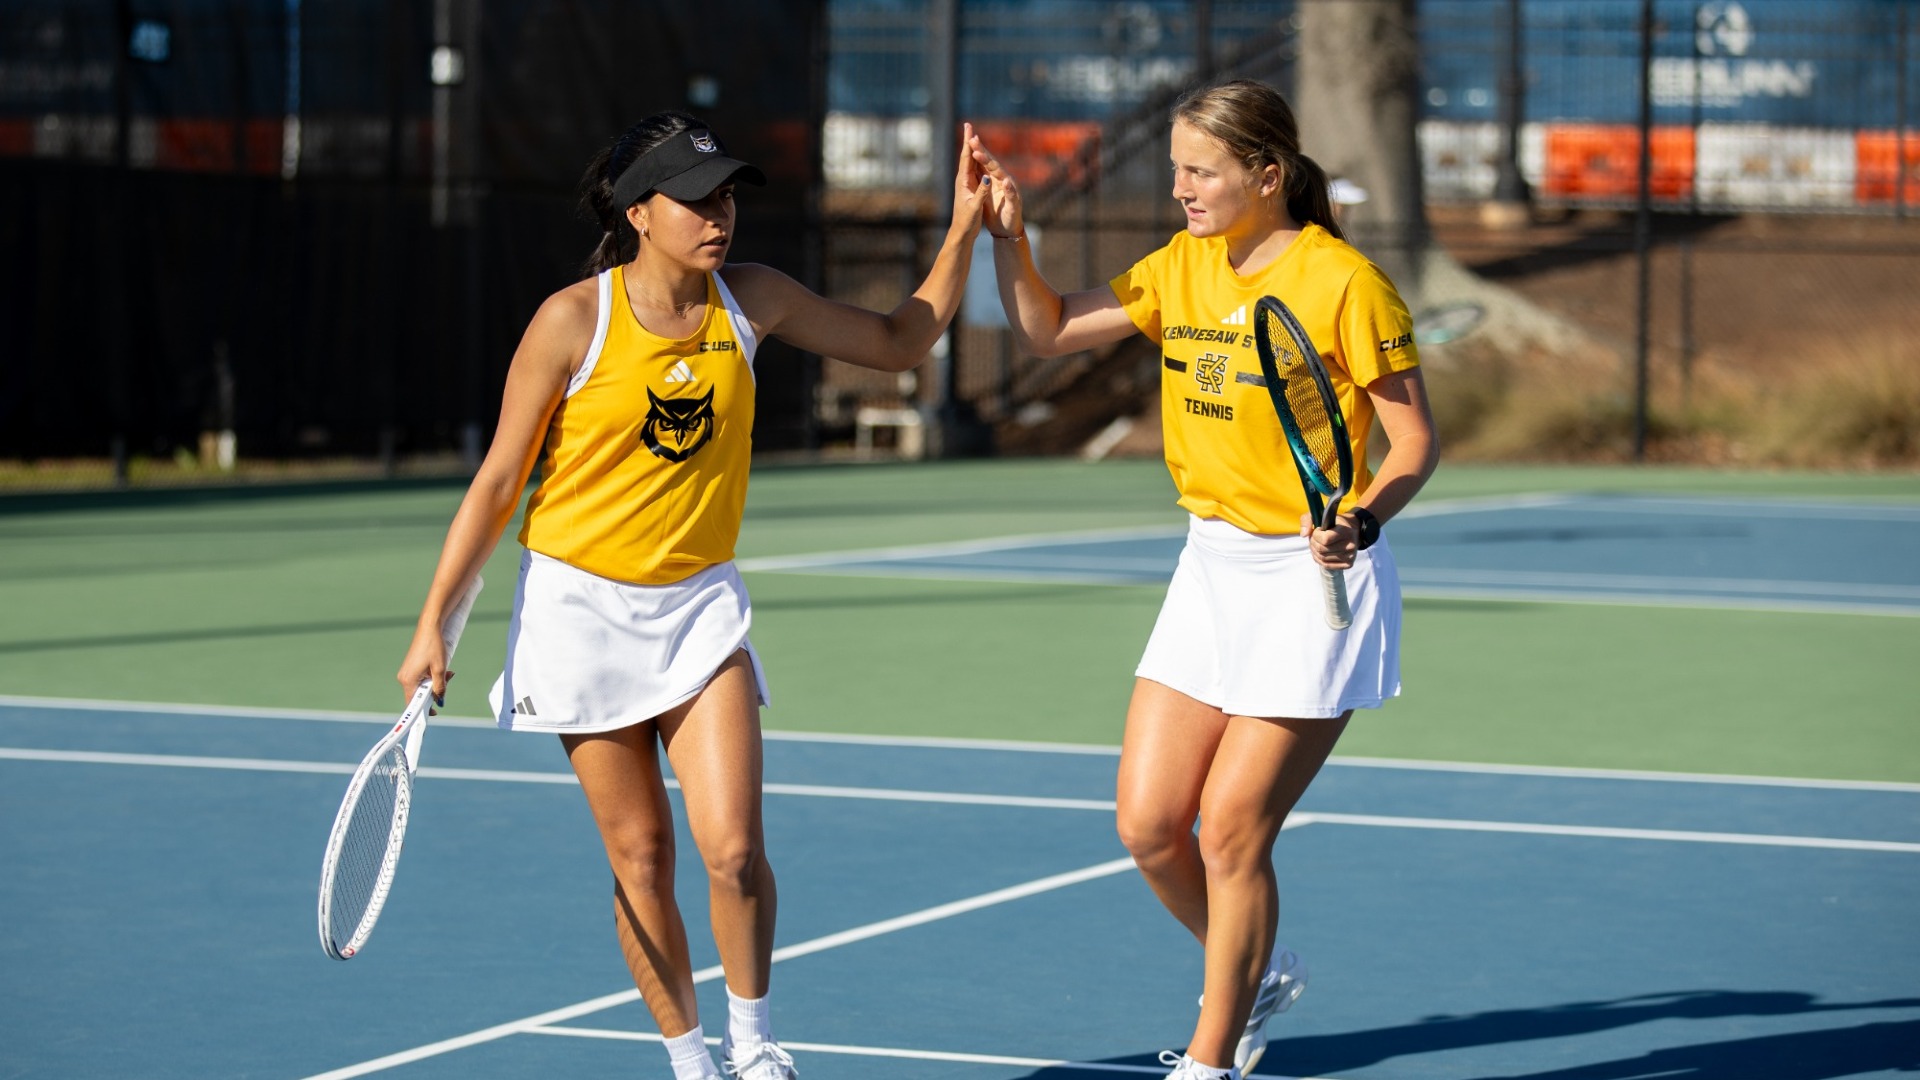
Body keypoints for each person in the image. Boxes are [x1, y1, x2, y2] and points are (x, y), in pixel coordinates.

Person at [398, 111, 987, 1080]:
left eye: (726, 196)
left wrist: (963, 229)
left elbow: (896, 343)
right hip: (576, 614)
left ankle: (754, 1052)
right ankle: (689, 1062)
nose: (720, 216)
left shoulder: (750, 300)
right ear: (638, 212)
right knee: (639, 860)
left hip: (698, 609)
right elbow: (499, 481)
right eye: (695, 198)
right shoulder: (570, 322)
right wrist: (435, 627)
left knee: (732, 851)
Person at [970, 80, 1439, 1080]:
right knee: (1148, 827)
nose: (1179, 187)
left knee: (1231, 830)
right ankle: (1254, 970)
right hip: (1211, 571)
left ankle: (1212, 1056)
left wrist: (1361, 517)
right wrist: (1011, 240)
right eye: (1177, 167)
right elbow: (1047, 330)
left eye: (1200, 170)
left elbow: (1413, 442)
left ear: (1267, 176)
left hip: (1312, 583)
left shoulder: (1345, 284)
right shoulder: (1180, 267)